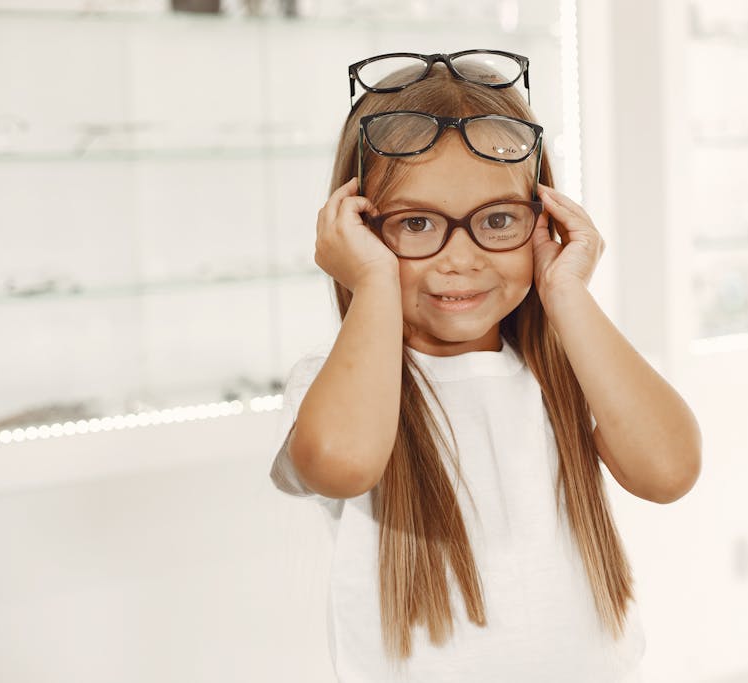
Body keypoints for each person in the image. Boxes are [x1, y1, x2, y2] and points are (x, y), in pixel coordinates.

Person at [269, 50, 702, 682]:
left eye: (497, 221)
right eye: (416, 223)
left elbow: (668, 471)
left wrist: (567, 292)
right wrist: (373, 284)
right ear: (357, 229)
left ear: (543, 221)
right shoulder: (340, 385)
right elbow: (340, 463)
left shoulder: (559, 370)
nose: (461, 259)